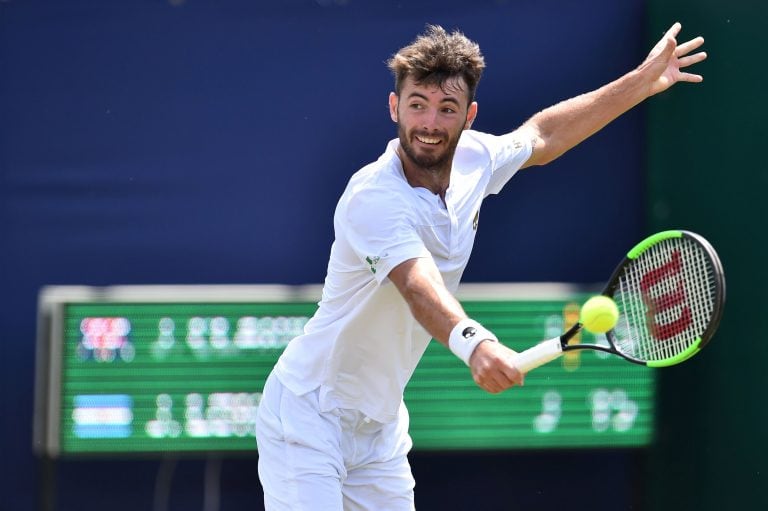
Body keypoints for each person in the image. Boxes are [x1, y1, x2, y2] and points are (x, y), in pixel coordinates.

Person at [255, 22, 706, 510]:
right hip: (308, 416)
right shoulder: (373, 199)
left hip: (379, 428)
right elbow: (418, 286)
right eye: (416, 105)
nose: (429, 122)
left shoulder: (476, 159)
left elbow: (544, 135)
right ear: (394, 108)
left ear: (468, 116)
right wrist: (477, 345)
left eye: (446, 109)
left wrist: (641, 81)